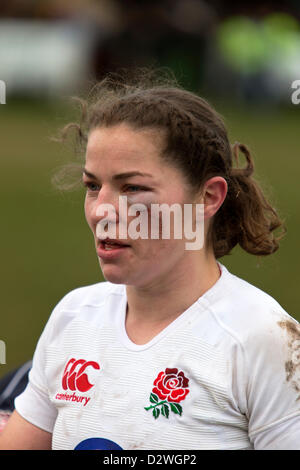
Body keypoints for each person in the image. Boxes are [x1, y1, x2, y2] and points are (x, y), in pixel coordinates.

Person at [0, 69, 299, 450]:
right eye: (93, 186)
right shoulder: (74, 316)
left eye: (133, 188)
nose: (101, 211)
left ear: (208, 197)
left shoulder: (264, 339)